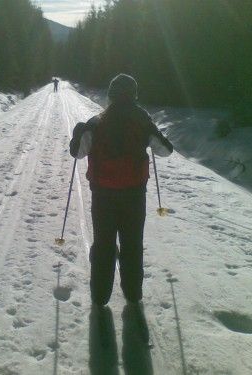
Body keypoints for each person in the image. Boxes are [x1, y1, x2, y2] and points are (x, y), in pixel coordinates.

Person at [69, 74, 173, 306]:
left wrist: (77, 133)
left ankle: (100, 297)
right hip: (134, 196)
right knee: (132, 243)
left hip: (103, 196)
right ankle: (133, 294)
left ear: (111, 95)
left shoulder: (96, 122)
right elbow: (165, 151)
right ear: (134, 95)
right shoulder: (142, 121)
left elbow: (77, 152)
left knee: (104, 244)